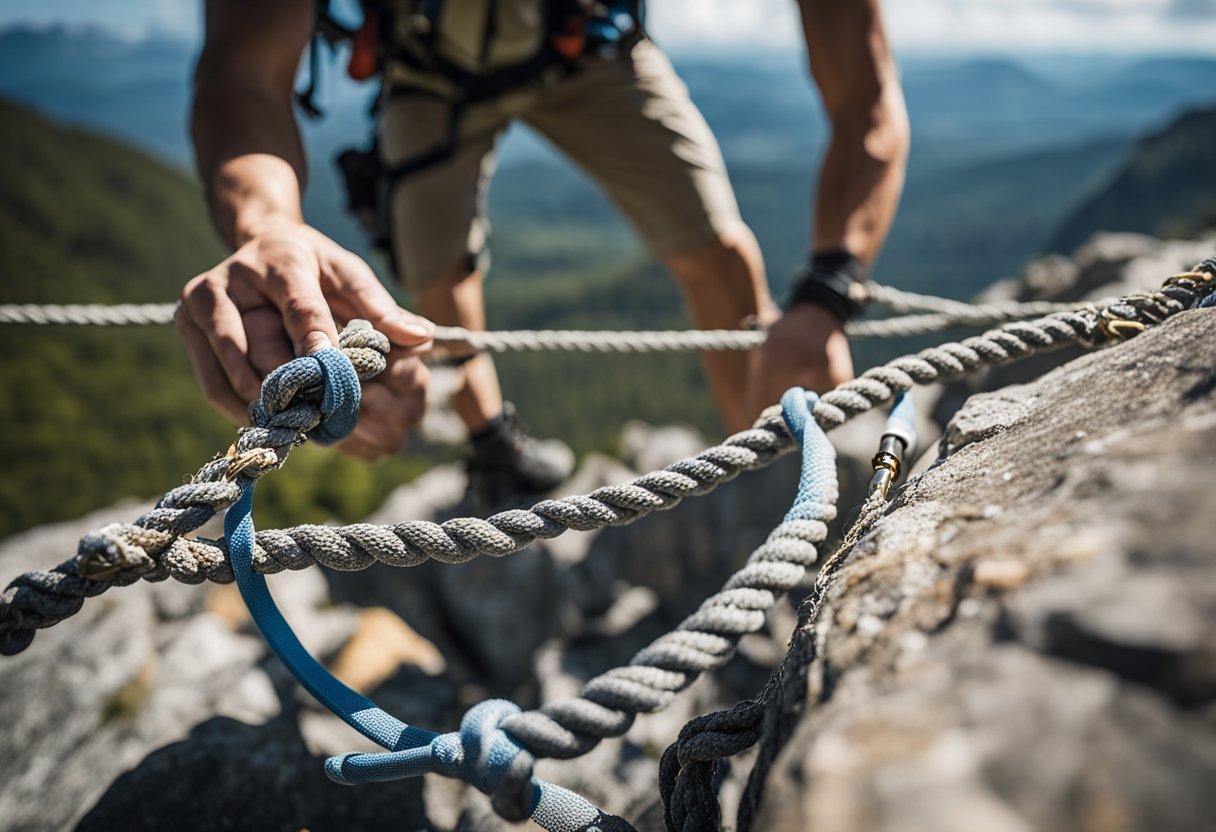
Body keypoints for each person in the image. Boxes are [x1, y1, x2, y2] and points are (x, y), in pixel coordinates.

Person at [178, 0, 907, 502]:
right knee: (437, 269)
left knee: (718, 251)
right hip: (431, 61)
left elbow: (866, 95)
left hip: (584, 43)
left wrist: (827, 293)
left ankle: (760, 469)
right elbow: (242, 70)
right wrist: (269, 227)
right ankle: (493, 447)